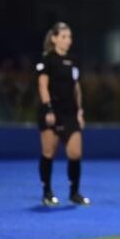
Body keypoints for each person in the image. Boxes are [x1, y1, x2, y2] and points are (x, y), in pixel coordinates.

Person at [36, 22, 90, 206]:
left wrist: (80, 111)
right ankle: (47, 192)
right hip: (53, 111)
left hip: (70, 113)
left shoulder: (73, 61)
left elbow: (77, 88)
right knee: (48, 152)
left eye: (70, 37)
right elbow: (43, 86)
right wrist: (48, 108)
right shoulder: (47, 60)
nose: (68, 41)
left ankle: (74, 192)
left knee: (75, 153)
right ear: (54, 38)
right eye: (64, 37)